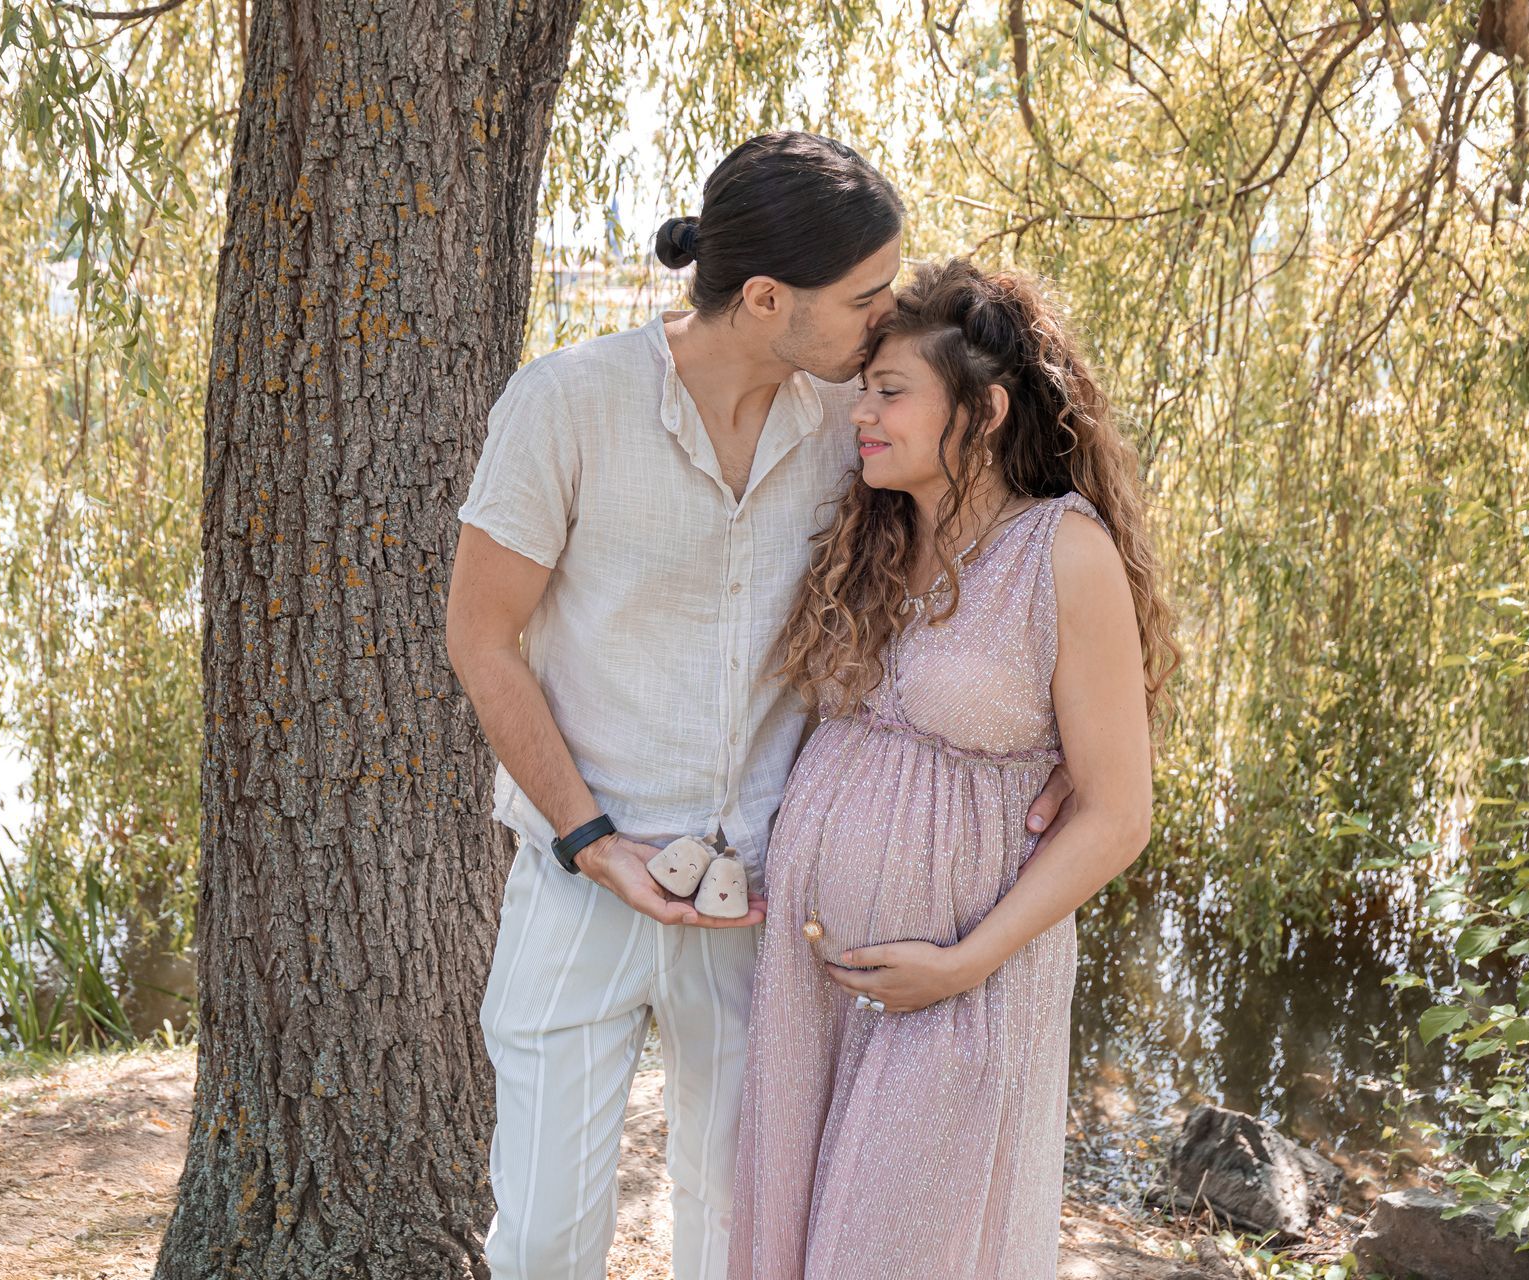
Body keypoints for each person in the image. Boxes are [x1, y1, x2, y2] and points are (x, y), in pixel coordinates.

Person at [444, 134, 1073, 1279]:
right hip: (579, 877)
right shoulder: (564, 408)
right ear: (769, 296)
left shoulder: (854, 428)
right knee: (542, 1235)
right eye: (865, 297)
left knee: (737, 1223)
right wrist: (593, 840)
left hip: (766, 899)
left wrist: (1075, 733)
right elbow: (480, 639)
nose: (884, 322)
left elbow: (1018, 524)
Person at [729, 258, 1179, 1279]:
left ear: (981, 410)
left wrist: (966, 961)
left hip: (958, 985)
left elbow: (1116, 813)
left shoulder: (1062, 553)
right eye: (863, 389)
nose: (863, 414)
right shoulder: (875, 537)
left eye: (892, 392)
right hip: (814, 984)